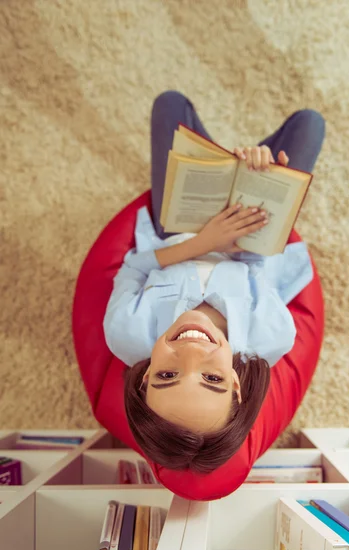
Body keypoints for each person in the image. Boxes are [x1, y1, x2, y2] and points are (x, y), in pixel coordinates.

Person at [103, 90, 325, 477]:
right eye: (212, 378)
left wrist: (202, 243)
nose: (191, 352)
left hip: (175, 229)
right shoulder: (272, 336)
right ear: (237, 386)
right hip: (247, 240)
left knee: (169, 104)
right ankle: (248, 160)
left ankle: (224, 161)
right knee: (310, 124)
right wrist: (260, 187)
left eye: (166, 376)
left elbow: (133, 267)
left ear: (142, 383)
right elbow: (261, 268)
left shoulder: (124, 333)